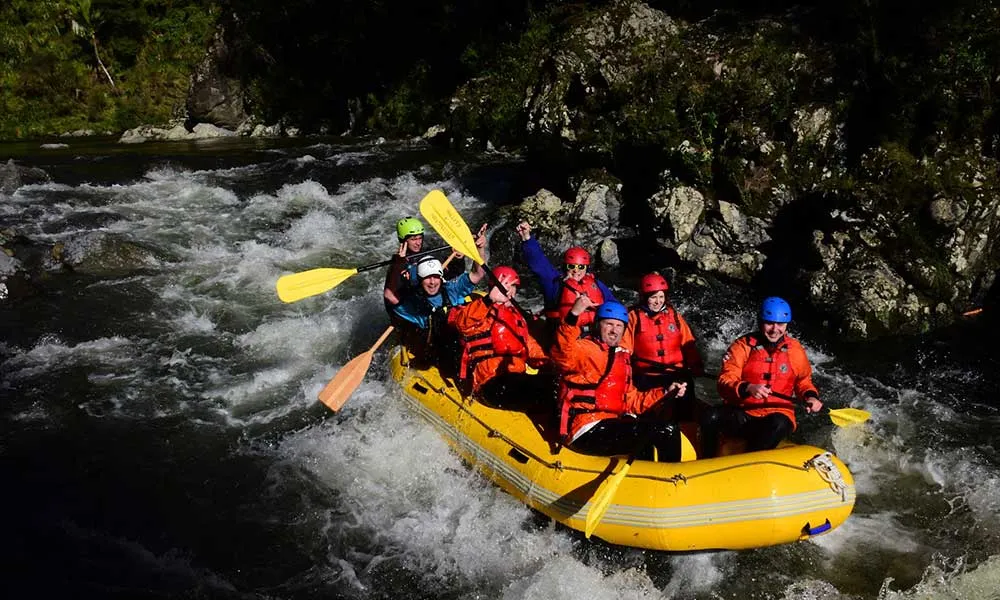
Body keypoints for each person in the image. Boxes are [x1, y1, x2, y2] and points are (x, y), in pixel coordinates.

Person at [550, 295, 686, 461]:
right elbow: (562, 352)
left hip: (610, 423)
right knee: (665, 430)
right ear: (597, 325)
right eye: (609, 324)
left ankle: (647, 480)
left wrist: (665, 392)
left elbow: (631, 401)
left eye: (619, 326)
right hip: (585, 427)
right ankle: (671, 482)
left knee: (649, 435)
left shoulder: (622, 359)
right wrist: (574, 314)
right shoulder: (585, 350)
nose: (614, 330)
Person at [701, 296, 824, 457]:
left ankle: (748, 464)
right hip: (743, 413)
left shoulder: (795, 350)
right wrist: (747, 388)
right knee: (711, 416)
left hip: (777, 415)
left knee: (779, 424)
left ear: (786, 325)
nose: (775, 329)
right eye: (769, 323)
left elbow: (803, 381)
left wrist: (811, 396)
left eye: (780, 324)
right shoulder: (742, 346)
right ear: (760, 322)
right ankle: (707, 460)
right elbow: (725, 381)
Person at [447, 266, 550, 408]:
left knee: (553, 384)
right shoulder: (481, 314)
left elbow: (533, 350)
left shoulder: (517, 319)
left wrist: (553, 365)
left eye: (513, 286)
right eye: (505, 286)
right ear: (493, 287)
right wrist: (489, 300)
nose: (510, 291)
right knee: (540, 390)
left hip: (516, 377)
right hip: (490, 382)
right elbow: (462, 323)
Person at [622, 272, 705, 421]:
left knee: (686, 401)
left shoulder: (674, 316)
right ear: (644, 296)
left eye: (661, 297)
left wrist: (696, 364)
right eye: (653, 297)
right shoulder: (632, 317)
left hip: (677, 373)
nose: (658, 301)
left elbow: (688, 344)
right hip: (647, 377)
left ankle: (687, 429)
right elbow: (624, 349)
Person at [515, 221, 617, 332]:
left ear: (586, 268)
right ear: (565, 266)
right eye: (571, 266)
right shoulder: (554, 283)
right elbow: (539, 263)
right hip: (562, 336)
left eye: (581, 267)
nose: (576, 271)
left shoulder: (596, 284)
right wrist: (527, 238)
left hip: (591, 336)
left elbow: (614, 306)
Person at [383, 216, 464, 313]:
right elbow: (390, 296)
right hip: (414, 308)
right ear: (403, 241)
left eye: (420, 238)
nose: (418, 243)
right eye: (413, 239)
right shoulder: (397, 266)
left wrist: (459, 259)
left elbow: (454, 274)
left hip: (436, 300)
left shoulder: (430, 254)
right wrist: (399, 264)